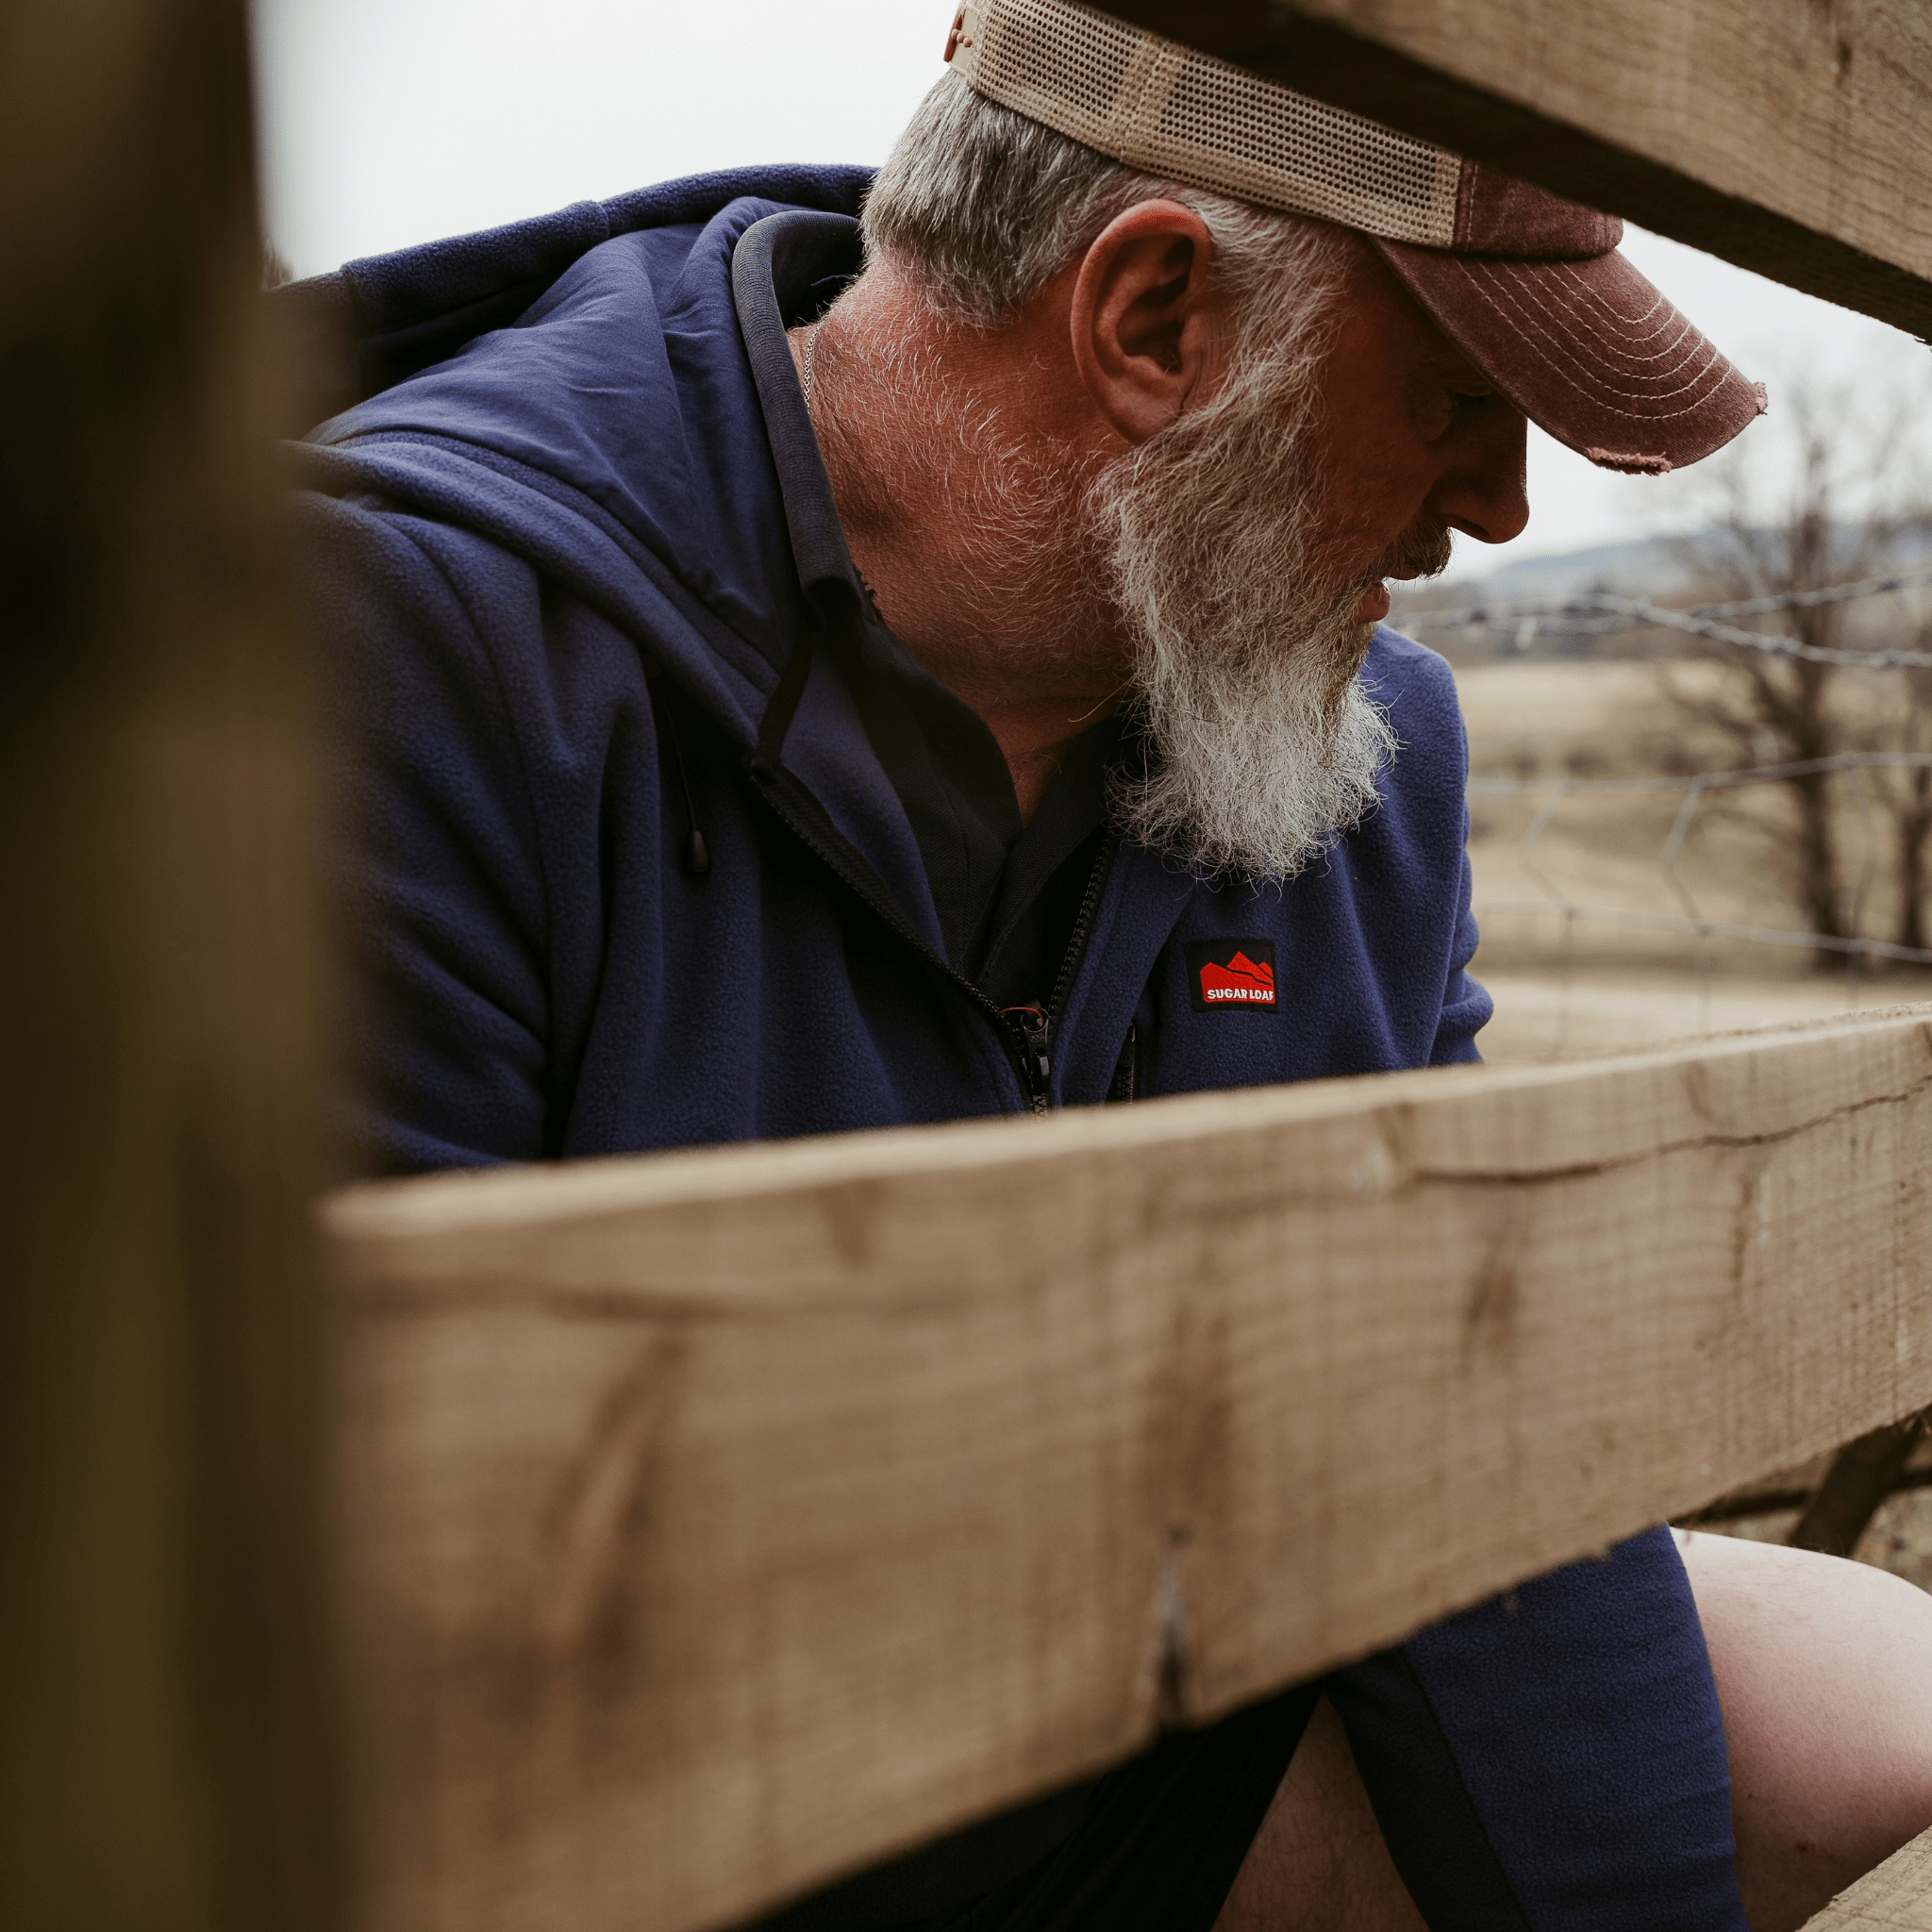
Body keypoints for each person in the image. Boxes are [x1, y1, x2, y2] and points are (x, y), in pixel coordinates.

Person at [289, 1, 1932, 1925]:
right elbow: (351, 1639)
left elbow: (1450, 1401)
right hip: (616, 1789)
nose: (1498, 508)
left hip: (1103, 1705)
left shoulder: (1331, 751)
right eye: (1456, 396)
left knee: (1877, 1702)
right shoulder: (391, 656)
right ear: (1153, 321)